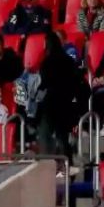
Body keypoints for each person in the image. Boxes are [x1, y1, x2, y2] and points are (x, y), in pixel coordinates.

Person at [37, 32, 81, 166]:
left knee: (45, 135)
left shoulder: (46, 62)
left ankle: (46, 167)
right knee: (63, 137)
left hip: (51, 103)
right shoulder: (68, 60)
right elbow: (75, 80)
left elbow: (44, 83)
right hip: (66, 102)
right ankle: (69, 166)